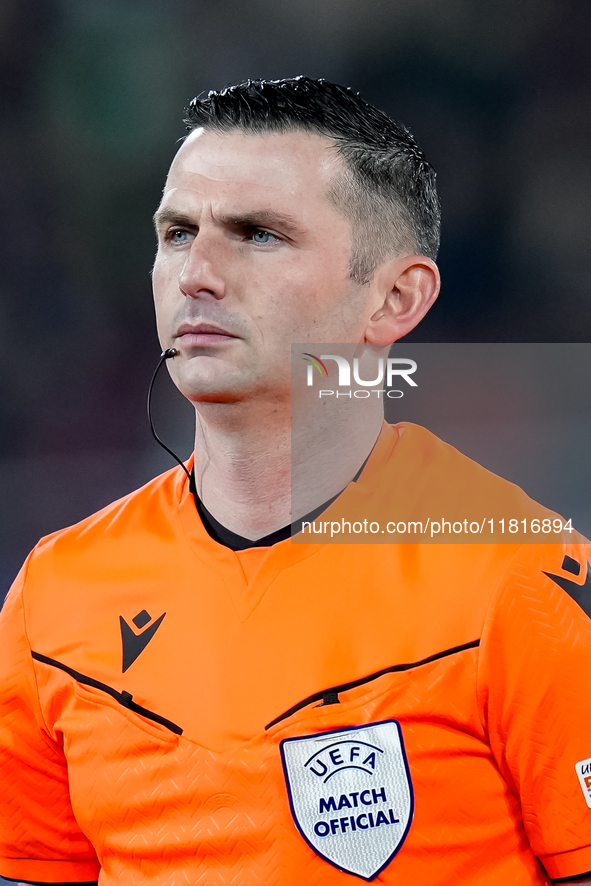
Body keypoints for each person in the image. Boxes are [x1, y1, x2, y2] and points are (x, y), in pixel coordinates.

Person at [0, 76, 590, 886]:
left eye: (258, 235)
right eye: (176, 233)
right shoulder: (55, 593)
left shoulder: (519, 581)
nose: (196, 273)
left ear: (394, 298)